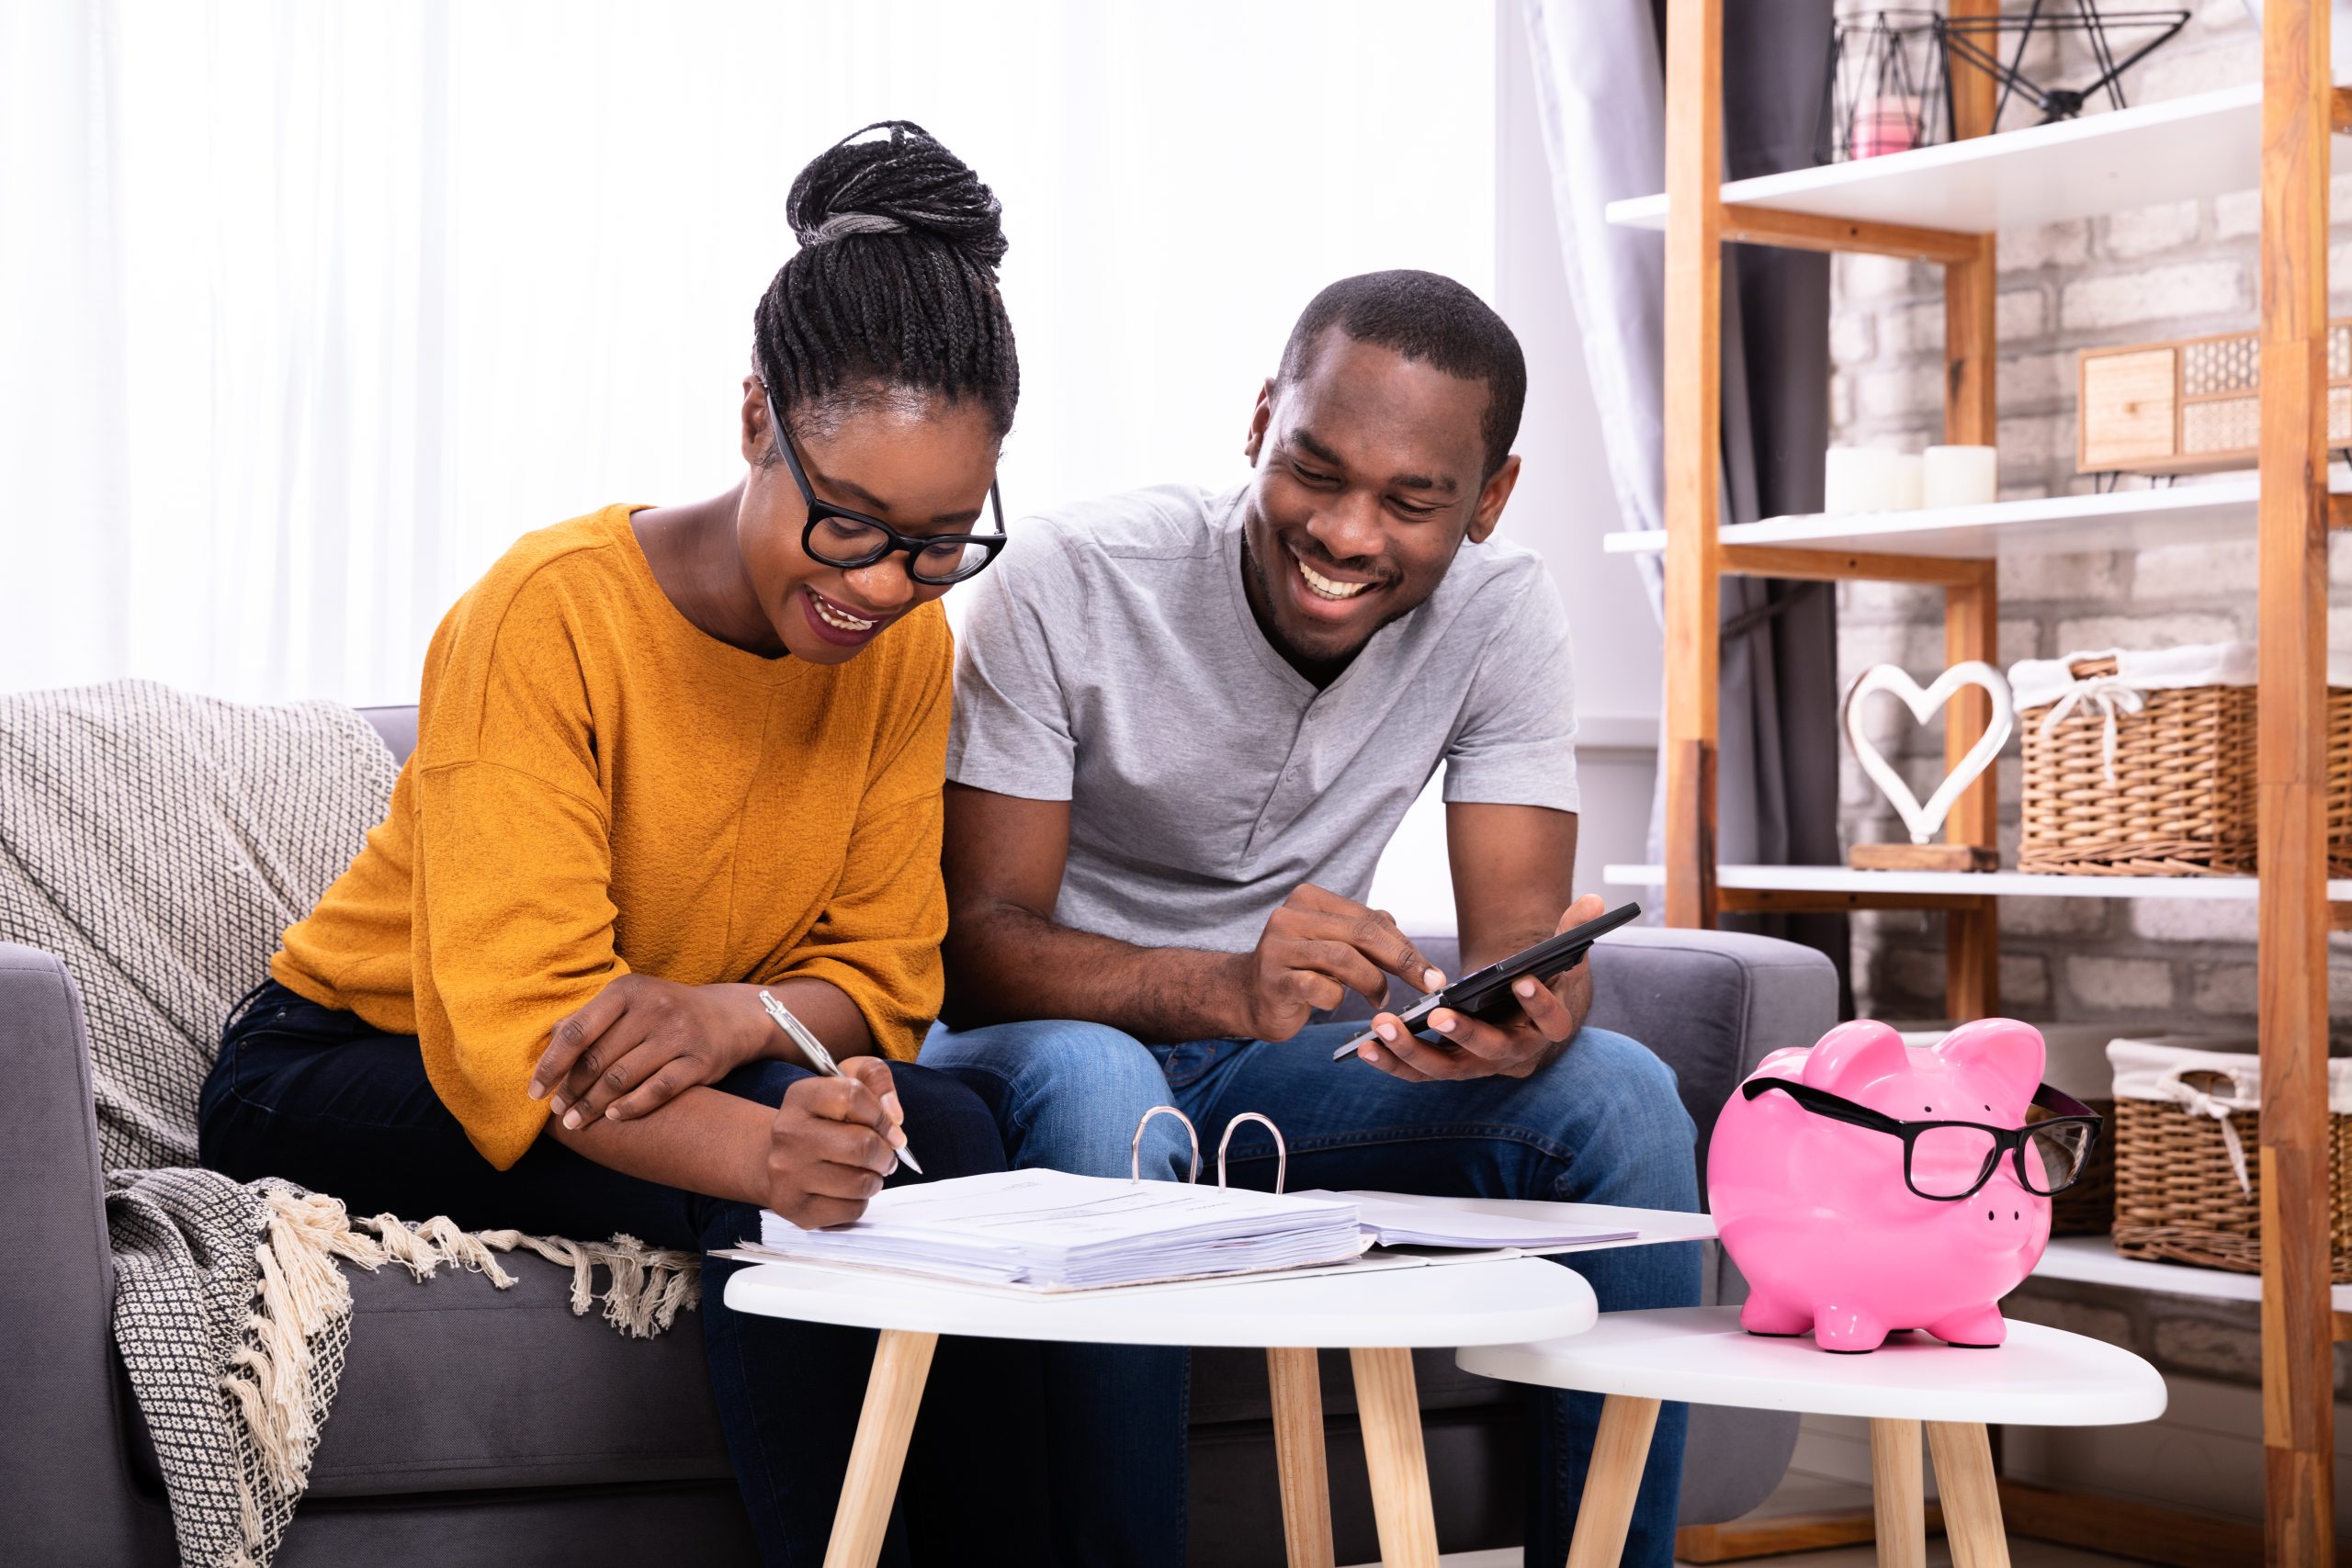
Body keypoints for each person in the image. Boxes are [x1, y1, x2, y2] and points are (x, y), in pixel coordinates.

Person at [198, 121, 1046, 1567]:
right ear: (755, 420)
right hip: (350, 1065)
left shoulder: (908, 646)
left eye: (941, 539)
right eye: (848, 525)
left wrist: (727, 1022)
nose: (887, 585)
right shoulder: (551, 615)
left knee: (955, 1134)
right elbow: (512, 1041)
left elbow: (891, 976)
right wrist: (775, 1151)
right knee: (809, 1188)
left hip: (655, 1042)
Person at [925, 269, 1702, 1568]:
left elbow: (1518, 952)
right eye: (1315, 471)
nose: (1347, 534)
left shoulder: (1503, 614)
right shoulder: (1072, 574)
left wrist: (1531, 1017)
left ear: (1490, 501)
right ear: (1259, 422)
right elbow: (981, 949)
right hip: (1048, 1042)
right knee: (1109, 1086)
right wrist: (1224, 984)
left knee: (1620, 1097)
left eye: (1412, 502)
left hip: (1277, 1069)